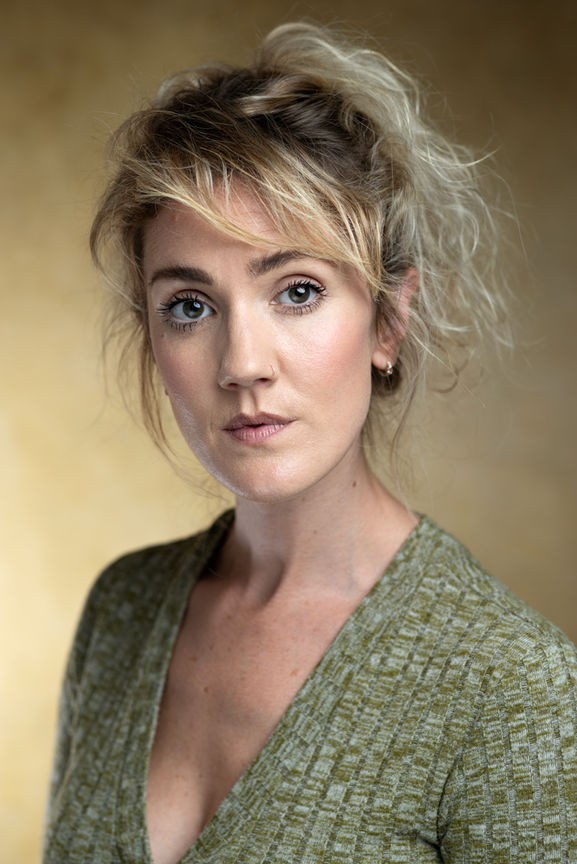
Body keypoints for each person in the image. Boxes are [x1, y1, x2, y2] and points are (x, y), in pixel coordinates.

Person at [43, 21, 577, 864]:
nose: (242, 364)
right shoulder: (122, 610)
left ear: (387, 321)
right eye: (190, 306)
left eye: (296, 291)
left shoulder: (512, 684)